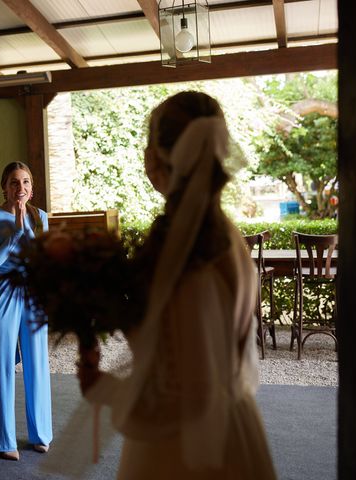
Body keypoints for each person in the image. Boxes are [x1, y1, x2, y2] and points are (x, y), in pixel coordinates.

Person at [76, 92, 278, 479]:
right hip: (234, 428)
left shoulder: (192, 259)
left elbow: (190, 397)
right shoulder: (226, 237)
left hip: (183, 454)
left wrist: (104, 389)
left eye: (148, 142)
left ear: (158, 159)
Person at [0, 161, 53, 461]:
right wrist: (15, 232)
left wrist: (27, 226)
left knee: (37, 364)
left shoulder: (41, 217)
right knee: (1, 367)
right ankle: (3, 440)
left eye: (25, 182)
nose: (20, 188)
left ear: (31, 188)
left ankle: (40, 434)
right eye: (13, 182)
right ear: (4, 186)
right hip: (1, 293)